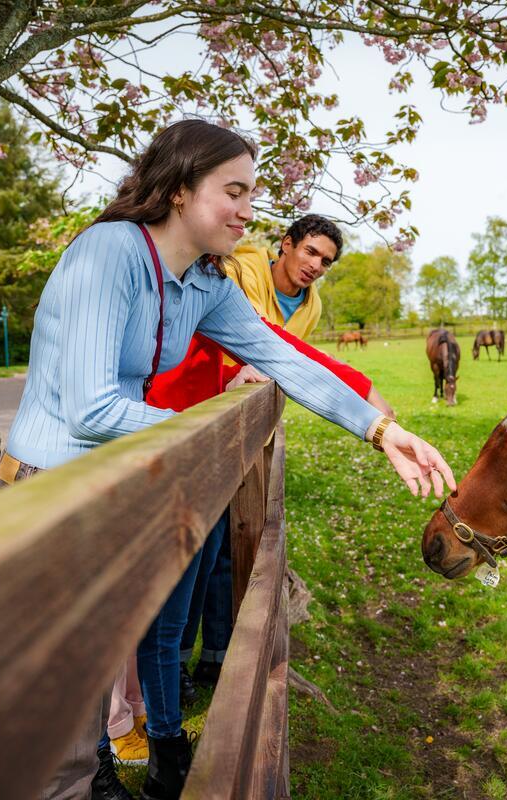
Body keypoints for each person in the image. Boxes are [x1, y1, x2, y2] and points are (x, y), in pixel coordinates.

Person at [0, 119, 455, 800]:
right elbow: (91, 410)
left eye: (252, 193)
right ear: (179, 189)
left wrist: (381, 429)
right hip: (43, 496)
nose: (248, 211)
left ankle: (103, 775)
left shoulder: (202, 283)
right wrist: (202, 437)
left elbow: (283, 357)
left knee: (80, 706)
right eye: (233, 191)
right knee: (47, 731)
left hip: (104, 493)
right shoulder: (108, 253)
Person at [139, 215, 390, 715]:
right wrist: (360, 391)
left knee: (220, 552)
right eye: (311, 253)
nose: (316, 266)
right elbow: (265, 342)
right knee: (176, 568)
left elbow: (281, 354)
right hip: (183, 417)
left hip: (234, 429)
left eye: (327, 261)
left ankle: (205, 662)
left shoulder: (310, 304)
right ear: (285, 244)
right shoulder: (236, 271)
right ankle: (152, 698)